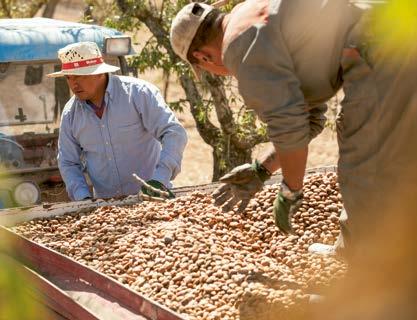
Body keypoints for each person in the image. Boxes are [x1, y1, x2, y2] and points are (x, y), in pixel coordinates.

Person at [170, 0, 417, 256]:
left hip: (383, 51)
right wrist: (262, 170)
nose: (215, 73)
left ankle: (372, 282)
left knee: (366, 164)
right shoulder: (251, 13)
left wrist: (291, 190)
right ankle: (354, 252)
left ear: (203, 57)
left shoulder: (237, 45)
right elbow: (308, 118)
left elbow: (289, 127)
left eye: (204, 68)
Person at [48, 42, 187, 201]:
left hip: (154, 198)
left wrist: (159, 179)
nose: (73, 84)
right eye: (68, 77)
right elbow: (68, 162)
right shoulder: (71, 114)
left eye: (79, 76)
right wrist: (83, 198)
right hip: (105, 207)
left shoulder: (138, 94)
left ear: (99, 73)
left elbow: (174, 133)